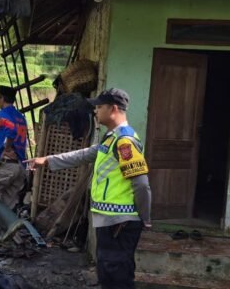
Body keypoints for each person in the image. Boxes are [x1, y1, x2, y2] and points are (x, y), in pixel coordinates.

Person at [25, 88, 151, 289]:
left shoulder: (124, 142)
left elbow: (141, 183)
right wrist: (47, 160)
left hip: (120, 223)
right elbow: (83, 155)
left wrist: (144, 217)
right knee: (108, 274)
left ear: (114, 109)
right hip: (109, 220)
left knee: (118, 277)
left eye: (99, 107)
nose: (95, 111)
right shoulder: (110, 139)